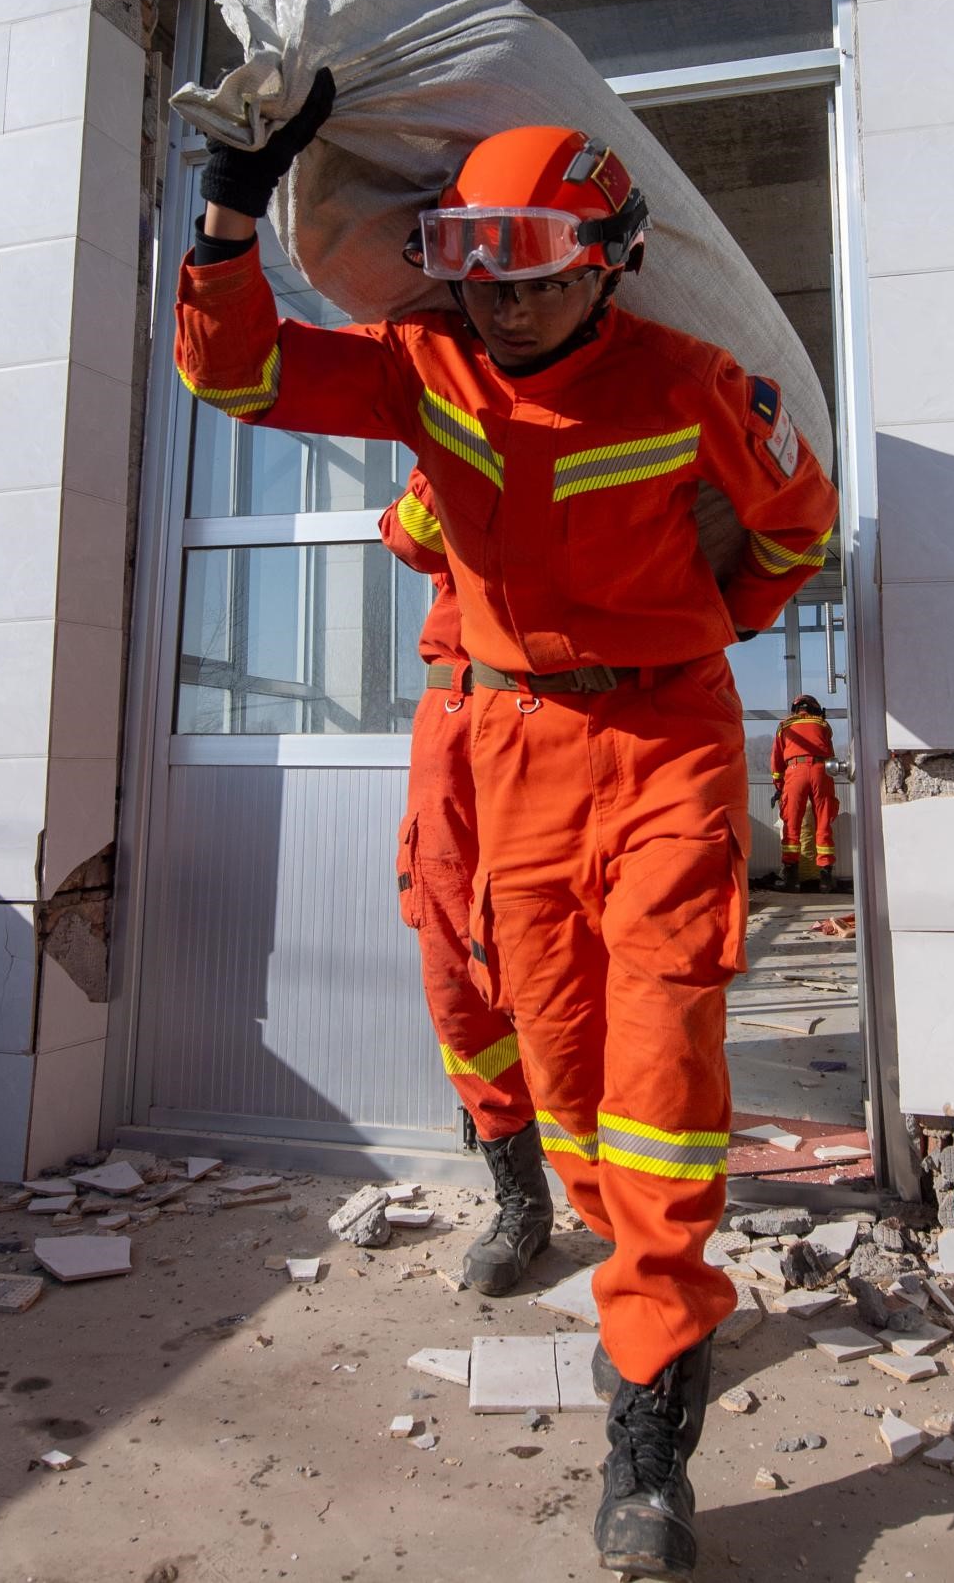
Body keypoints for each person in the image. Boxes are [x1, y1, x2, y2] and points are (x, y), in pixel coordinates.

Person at [175, 80, 837, 1581]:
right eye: (485, 263)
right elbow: (233, 380)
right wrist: (227, 210)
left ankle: (653, 1406)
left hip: (665, 740)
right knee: (561, 1054)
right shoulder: (425, 368)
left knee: (664, 1059)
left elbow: (796, 523)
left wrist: (706, 628)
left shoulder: (688, 381)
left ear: (609, 258)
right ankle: (590, 1235)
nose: (513, 297)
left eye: (542, 267)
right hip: (512, 747)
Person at [379, 468, 552, 1295]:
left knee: (574, 958)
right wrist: (450, 445)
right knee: (457, 977)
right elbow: (410, 536)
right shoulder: (455, 431)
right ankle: (520, 1196)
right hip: (456, 725)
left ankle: (635, 1218)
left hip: (567, 719)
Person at [770, 693, 840, 894]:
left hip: (795, 770)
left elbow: (776, 759)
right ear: (814, 708)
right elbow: (831, 755)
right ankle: (826, 878)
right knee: (824, 822)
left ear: (795, 709)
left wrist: (779, 784)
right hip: (821, 770)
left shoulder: (784, 725)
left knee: (792, 824)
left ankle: (791, 879)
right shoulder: (823, 725)